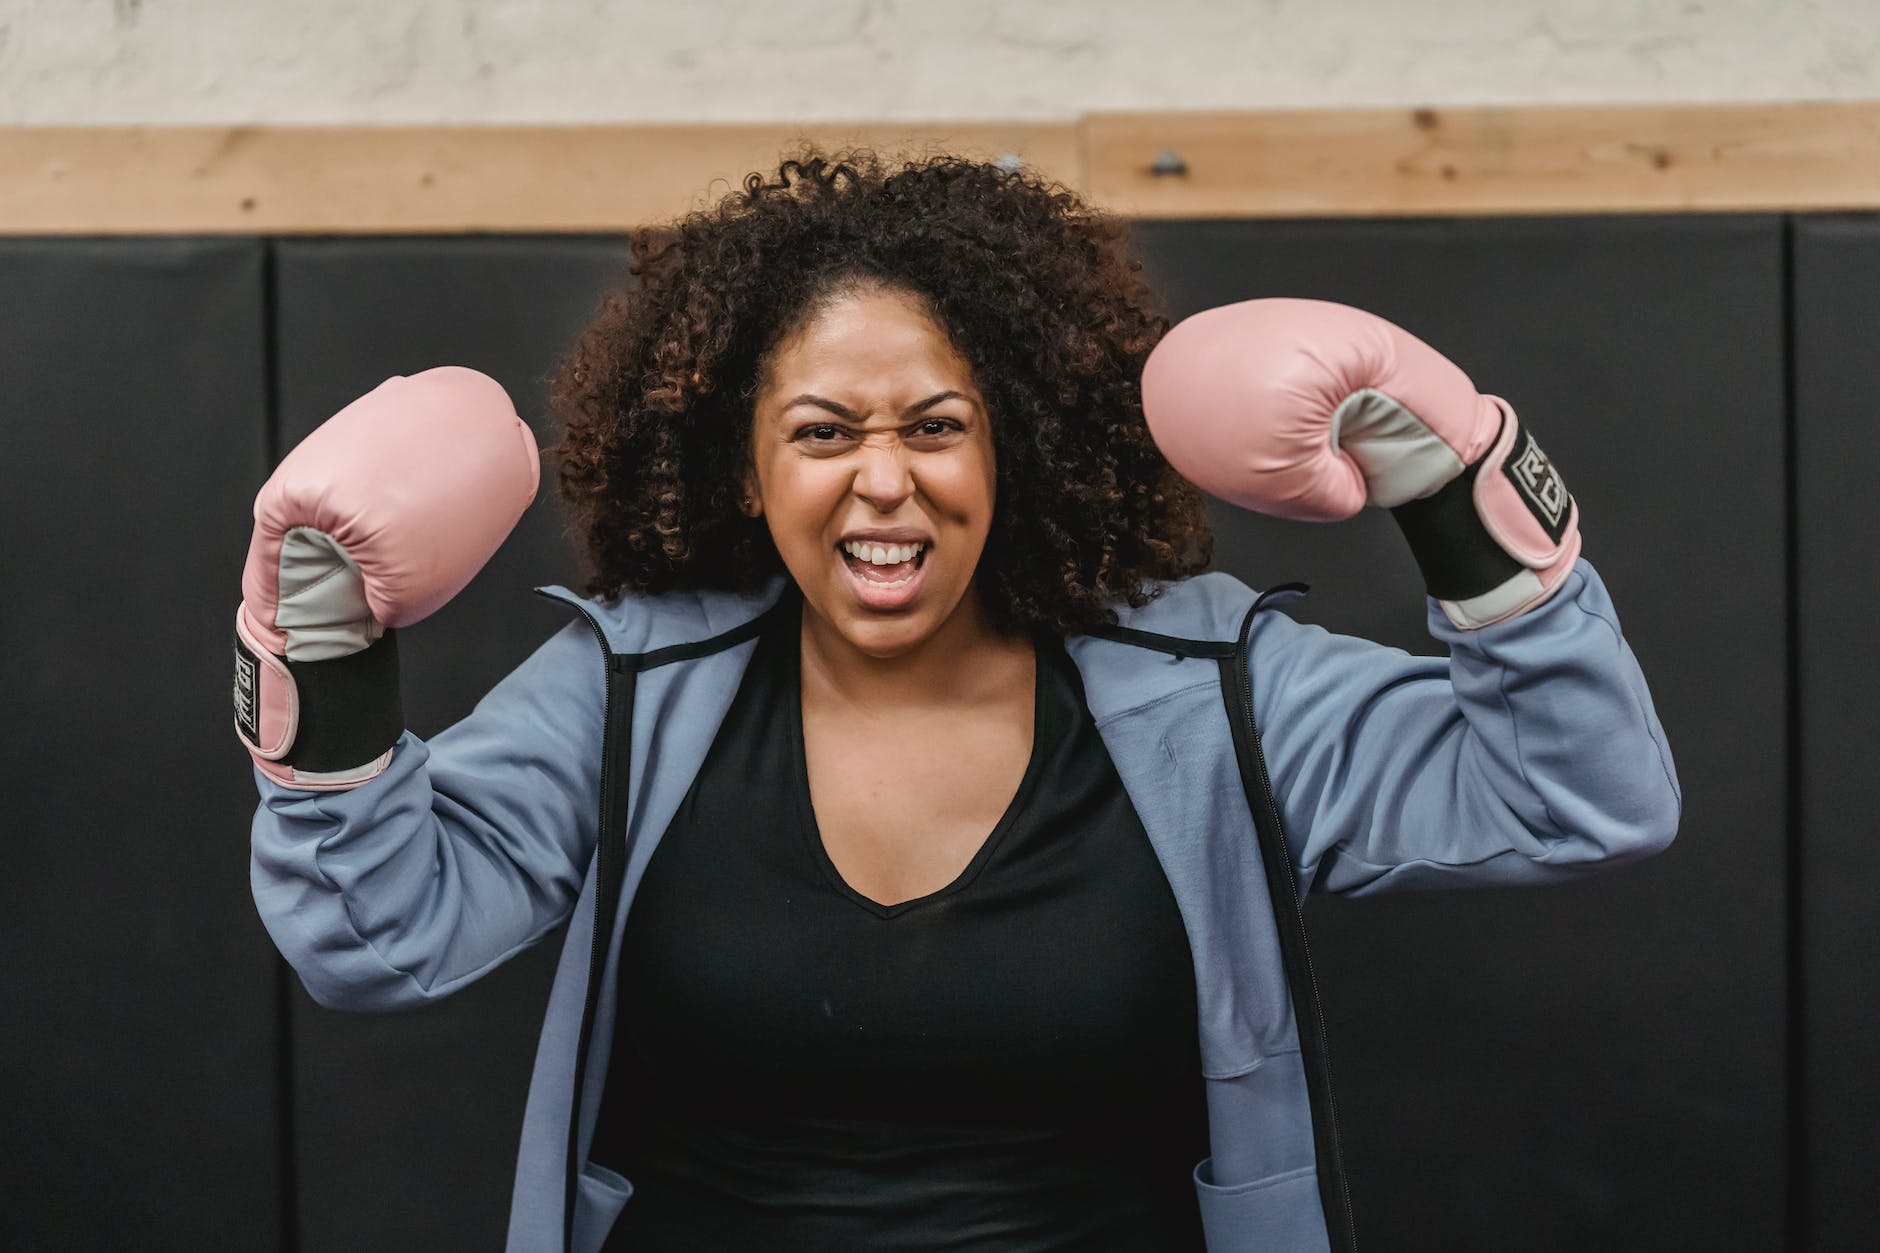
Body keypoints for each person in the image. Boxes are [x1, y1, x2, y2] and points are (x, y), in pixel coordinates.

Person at [235, 152, 1680, 1253]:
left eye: (936, 425)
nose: (884, 479)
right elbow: (377, 932)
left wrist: (1465, 490)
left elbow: (1580, 793)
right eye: (821, 431)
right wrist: (324, 653)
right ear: (746, 466)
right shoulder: (629, 686)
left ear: (1019, 446)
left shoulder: (1213, 684)